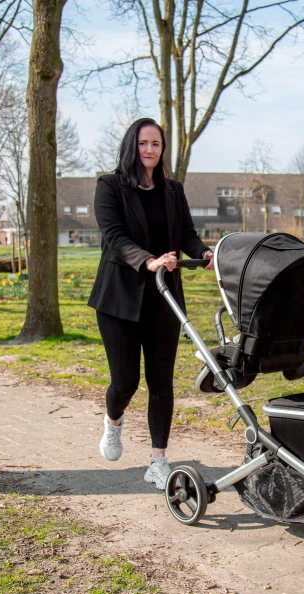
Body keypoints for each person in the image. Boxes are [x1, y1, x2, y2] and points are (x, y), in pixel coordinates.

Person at [88, 117, 213, 490]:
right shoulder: (109, 187)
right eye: (143, 143)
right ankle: (113, 422)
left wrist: (204, 252)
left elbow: (187, 234)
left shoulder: (173, 190)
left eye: (156, 144)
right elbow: (114, 236)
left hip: (164, 298)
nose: (149, 150)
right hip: (119, 299)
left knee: (161, 382)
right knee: (125, 382)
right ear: (132, 146)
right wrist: (148, 259)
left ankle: (158, 460)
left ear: (162, 150)